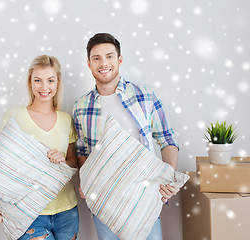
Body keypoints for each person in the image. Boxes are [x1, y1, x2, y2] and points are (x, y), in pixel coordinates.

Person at [73, 33, 179, 240]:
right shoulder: (81, 106)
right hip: (104, 203)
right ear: (88, 64)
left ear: (119, 60)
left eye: (109, 56)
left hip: (145, 199)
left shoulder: (145, 95)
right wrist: (86, 181)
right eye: (96, 58)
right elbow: (82, 152)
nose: (103, 63)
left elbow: (167, 139)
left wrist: (169, 177)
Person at [0, 55, 79, 240]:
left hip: (67, 211)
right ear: (30, 83)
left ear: (57, 83)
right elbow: (0, 164)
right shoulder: (14, 116)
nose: (44, 87)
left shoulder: (66, 119)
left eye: (50, 80)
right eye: (38, 80)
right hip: (28, 214)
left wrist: (63, 161)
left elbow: (74, 163)